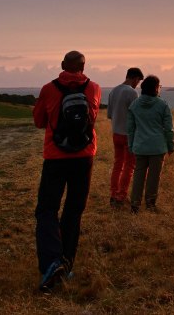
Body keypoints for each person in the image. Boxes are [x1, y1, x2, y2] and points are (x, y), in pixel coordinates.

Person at [32, 50, 101, 292]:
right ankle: (67, 265)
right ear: (84, 66)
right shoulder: (94, 88)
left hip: (55, 156)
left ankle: (51, 261)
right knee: (74, 210)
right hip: (84, 156)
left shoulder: (48, 89)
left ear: (62, 65)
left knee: (47, 209)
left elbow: (39, 121)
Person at [127, 75, 174, 213]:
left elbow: (130, 129)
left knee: (138, 176)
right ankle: (150, 204)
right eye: (159, 86)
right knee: (154, 177)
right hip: (157, 147)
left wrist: (131, 145)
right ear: (155, 88)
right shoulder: (162, 105)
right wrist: (171, 146)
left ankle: (135, 204)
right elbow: (168, 128)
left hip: (140, 146)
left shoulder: (134, 105)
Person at [107, 67, 144, 207]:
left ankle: (113, 193)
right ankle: (121, 196)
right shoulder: (132, 93)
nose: (137, 84)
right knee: (129, 166)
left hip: (116, 133)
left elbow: (110, 114)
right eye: (138, 81)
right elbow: (137, 115)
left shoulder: (113, 91)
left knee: (118, 164)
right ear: (134, 78)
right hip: (129, 135)